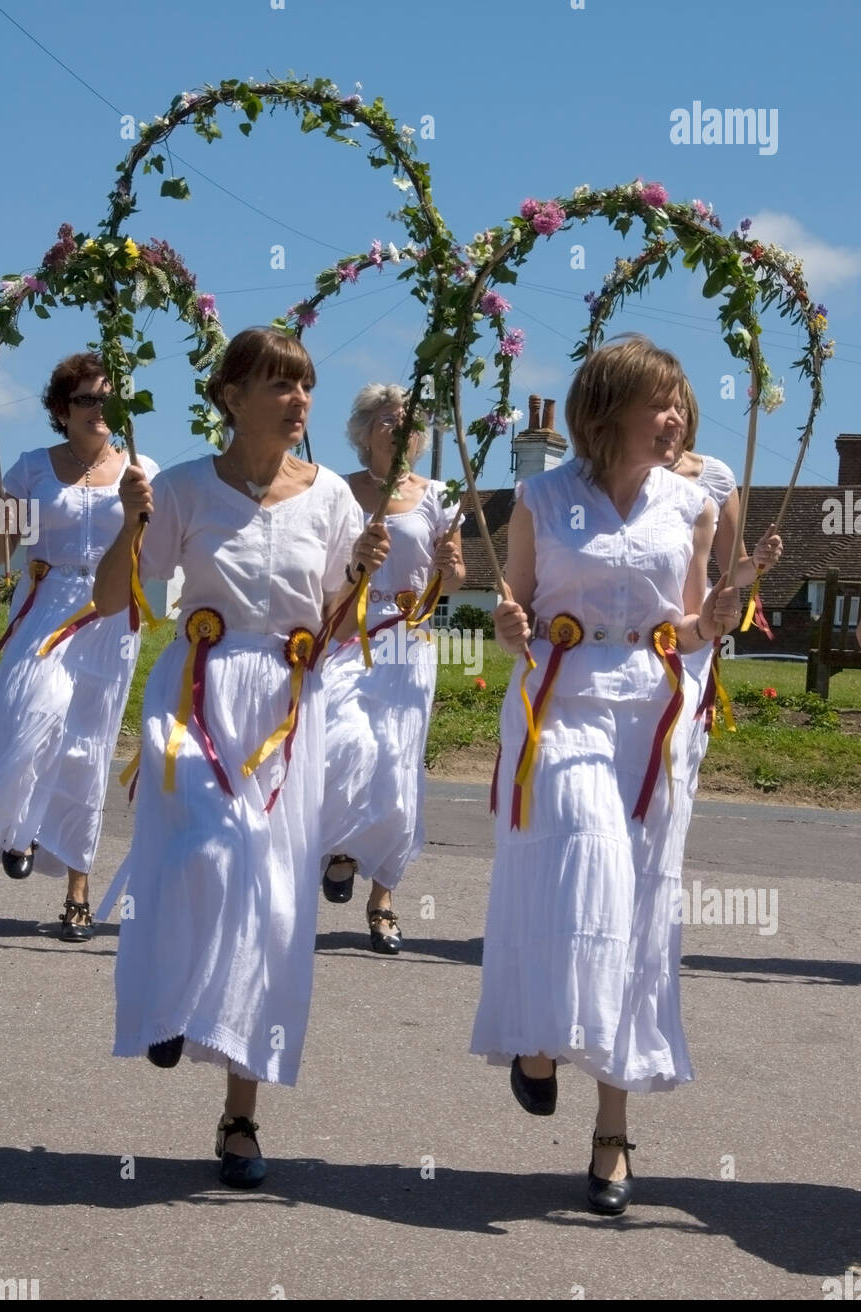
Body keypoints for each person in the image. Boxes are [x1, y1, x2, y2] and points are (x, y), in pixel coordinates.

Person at [92, 327, 390, 1188]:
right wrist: (130, 523)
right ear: (230, 396)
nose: (299, 401)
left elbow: (340, 631)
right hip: (195, 693)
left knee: (272, 904)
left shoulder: (333, 496)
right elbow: (120, 599)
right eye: (279, 385)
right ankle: (173, 999)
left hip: (290, 709)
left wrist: (361, 577)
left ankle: (241, 1118)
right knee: (206, 852)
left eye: (305, 385)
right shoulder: (181, 487)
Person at [470, 335, 742, 1216]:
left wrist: (716, 619)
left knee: (638, 909)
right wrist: (510, 630)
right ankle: (540, 1038)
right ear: (605, 409)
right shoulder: (540, 499)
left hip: (651, 715)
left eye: (680, 404)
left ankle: (612, 1133)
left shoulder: (692, 504)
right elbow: (513, 609)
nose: (675, 419)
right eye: (656, 402)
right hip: (565, 704)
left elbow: (693, 625)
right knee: (586, 860)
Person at [0, 353, 158, 940]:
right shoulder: (29, 468)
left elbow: (159, 551)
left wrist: (144, 512)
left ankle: (78, 890)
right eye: (87, 399)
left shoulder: (142, 468)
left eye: (108, 399)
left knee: (87, 749)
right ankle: (18, 827)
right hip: (45, 603)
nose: (100, 409)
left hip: (110, 614)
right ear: (62, 410)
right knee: (28, 714)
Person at [320, 385, 464, 953]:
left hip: (408, 637)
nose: (399, 425)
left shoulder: (438, 496)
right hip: (348, 630)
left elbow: (452, 581)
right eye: (386, 417)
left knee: (397, 763)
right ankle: (341, 846)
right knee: (344, 739)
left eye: (407, 417)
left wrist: (452, 568)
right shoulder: (338, 491)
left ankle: (383, 899)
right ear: (364, 431)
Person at [668, 380, 783, 793]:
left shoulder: (715, 478)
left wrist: (758, 561)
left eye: (677, 406)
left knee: (679, 750)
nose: (668, 418)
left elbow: (732, 569)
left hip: (693, 632)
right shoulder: (622, 472)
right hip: (631, 624)